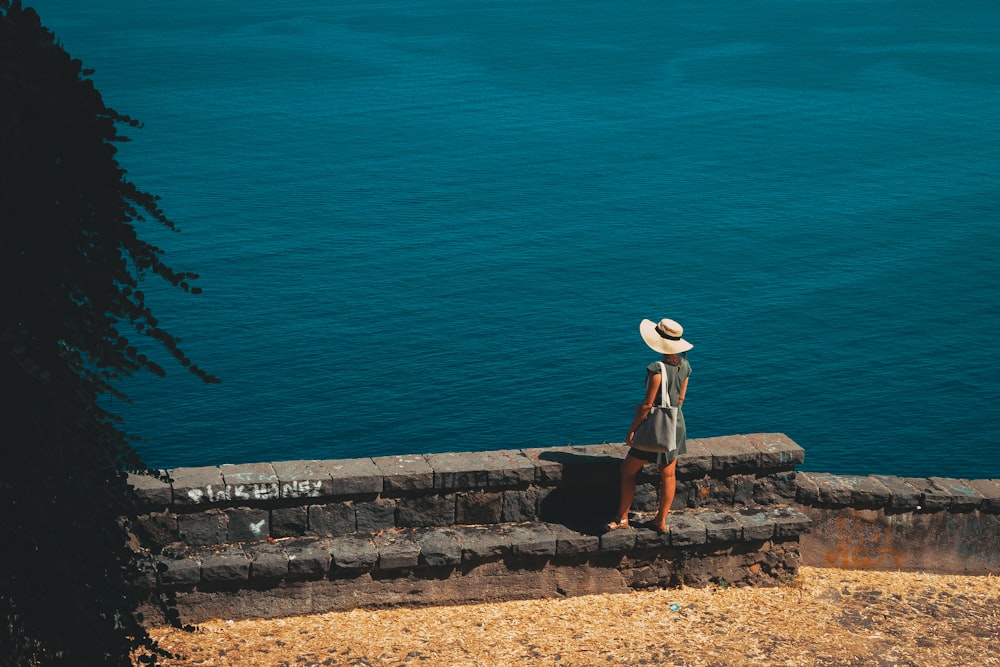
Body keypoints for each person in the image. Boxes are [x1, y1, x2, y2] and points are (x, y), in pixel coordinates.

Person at [606, 318, 692, 534]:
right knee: (668, 475)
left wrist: (632, 429)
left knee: (627, 471)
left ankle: (622, 517)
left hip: (655, 427)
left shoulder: (657, 370)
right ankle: (661, 520)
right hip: (676, 425)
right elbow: (680, 399)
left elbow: (646, 406)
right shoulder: (686, 366)